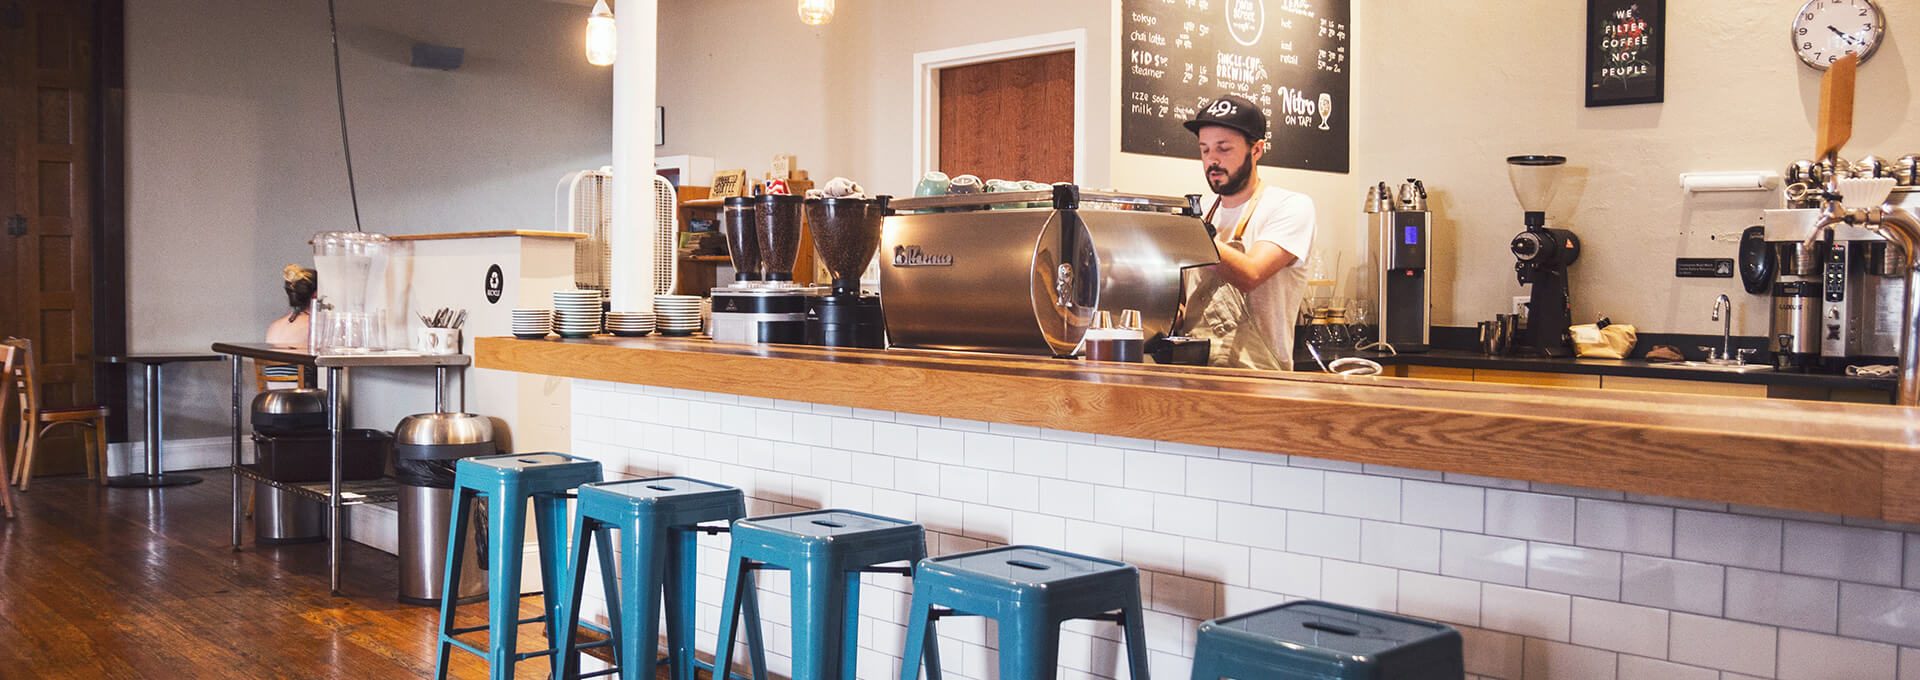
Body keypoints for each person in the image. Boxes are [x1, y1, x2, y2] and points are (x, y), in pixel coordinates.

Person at [1179, 94, 1317, 370]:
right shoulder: (1201, 211)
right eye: (1204, 150)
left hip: (1261, 380)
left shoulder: (1290, 206)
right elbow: (1183, 304)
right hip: (1197, 375)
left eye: (1224, 149)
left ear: (1256, 150)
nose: (1212, 160)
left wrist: (1189, 234)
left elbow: (1251, 274)